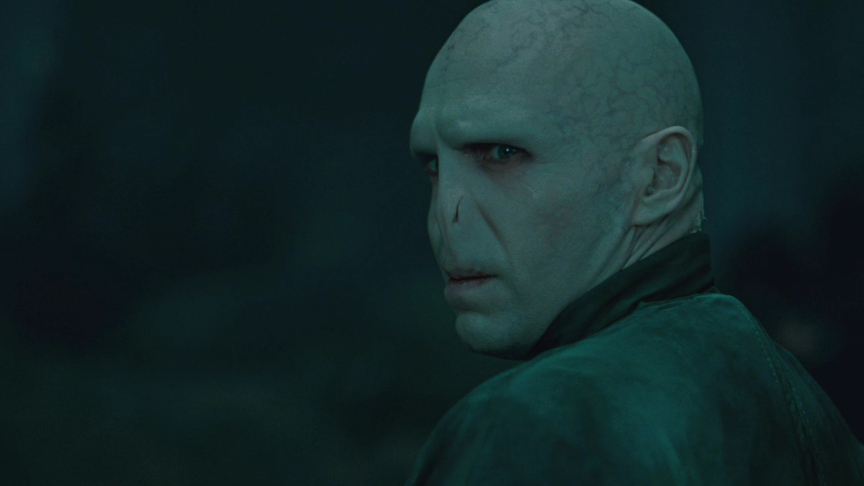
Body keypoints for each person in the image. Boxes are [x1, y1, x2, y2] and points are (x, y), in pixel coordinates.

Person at [405, 0, 864, 483]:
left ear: (660, 176)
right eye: (433, 165)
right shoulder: (801, 406)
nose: (445, 215)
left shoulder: (533, 424)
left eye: (503, 153)